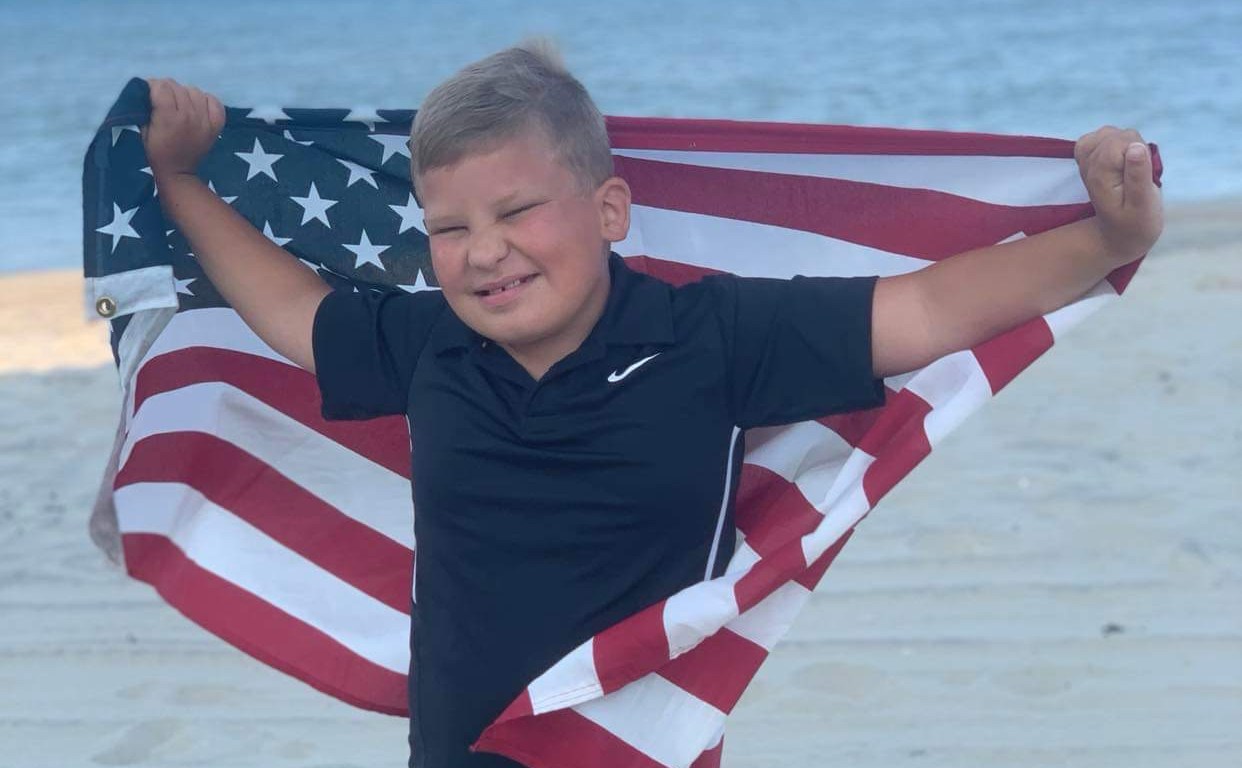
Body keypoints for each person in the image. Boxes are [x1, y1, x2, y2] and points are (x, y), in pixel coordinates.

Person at [140, 40, 1163, 768]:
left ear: (610, 210)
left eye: (517, 210)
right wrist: (179, 179)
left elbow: (929, 305)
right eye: (448, 227)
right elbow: (291, 309)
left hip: (634, 748)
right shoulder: (430, 343)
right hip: (464, 750)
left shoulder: (708, 336)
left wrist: (1109, 242)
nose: (483, 248)